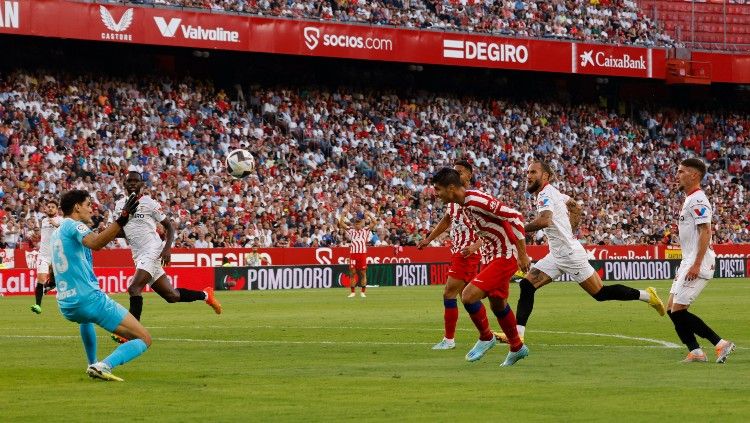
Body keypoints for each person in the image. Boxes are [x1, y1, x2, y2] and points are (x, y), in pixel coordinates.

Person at [500, 160, 666, 343]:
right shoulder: (555, 193)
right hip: (557, 254)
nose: (528, 176)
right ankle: (517, 336)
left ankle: (647, 295)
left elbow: (544, 221)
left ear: (545, 176)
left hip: (570, 255)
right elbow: (575, 206)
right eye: (528, 172)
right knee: (527, 285)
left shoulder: (545, 194)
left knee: (600, 294)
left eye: (533, 172)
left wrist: (517, 228)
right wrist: (569, 230)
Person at [431, 167, 530, 366]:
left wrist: (522, 253)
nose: (436, 194)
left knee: (468, 295)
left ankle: (486, 337)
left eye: (438, 189)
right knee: (497, 303)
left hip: (505, 254)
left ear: (451, 188)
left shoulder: (476, 200)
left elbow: (515, 217)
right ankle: (517, 347)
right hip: (490, 255)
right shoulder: (463, 204)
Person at [50, 190, 149, 381]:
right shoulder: (73, 226)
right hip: (89, 300)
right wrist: (122, 219)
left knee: (85, 320)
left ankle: (92, 362)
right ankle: (104, 365)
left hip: (66, 304)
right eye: (87, 204)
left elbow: (55, 268)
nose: (90, 209)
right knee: (144, 338)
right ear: (77, 207)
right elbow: (96, 243)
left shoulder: (56, 233)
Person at [112, 172, 221, 343]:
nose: (132, 183)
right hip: (138, 253)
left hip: (153, 249)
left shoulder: (149, 203)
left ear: (142, 184)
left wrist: (167, 248)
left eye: (136, 181)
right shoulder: (119, 205)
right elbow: (119, 230)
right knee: (172, 296)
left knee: (134, 288)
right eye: (129, 181)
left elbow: (169, 227)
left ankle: (130, 333)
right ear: (124, 184)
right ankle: (206, 295)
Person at [667, 158, 735, 363]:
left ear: (693, 175)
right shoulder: (690, 199)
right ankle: (696, 351)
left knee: (678, 310)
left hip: (699, 261)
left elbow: (705, 230)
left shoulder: (697, 199)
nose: (677, 175)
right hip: (688, 260)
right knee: (671, 308)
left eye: (681, 172)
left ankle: (720, 343)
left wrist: (696, 264)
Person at [418, 161, 482, 350]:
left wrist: (475, 246)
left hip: (468, 253)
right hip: (459, 251)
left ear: (469, 175)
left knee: (449, 293)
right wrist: (428, 239)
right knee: (468, 297)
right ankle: (487, 335)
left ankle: (449, 340)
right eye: (455, 172)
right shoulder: (454, 200)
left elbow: (490, 228)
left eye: (460, 172)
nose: (457, 174)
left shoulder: (474, 199)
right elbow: (446, 221)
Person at [31, 199, 62, 314]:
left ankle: (50, 285)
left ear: (57, 209)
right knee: (41, 279)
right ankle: (37, 305)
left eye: (52, 207)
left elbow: (65, 231)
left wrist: (57, 225)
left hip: (57, 255)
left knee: (55, 282)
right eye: (48, 206)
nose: (50, 208)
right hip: (43, 256)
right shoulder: (43, 220)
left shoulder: (61, 220)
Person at [338, 206, 376, 298]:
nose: (357, 225)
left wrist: (369, 215)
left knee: (363, 273)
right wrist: (343, 215)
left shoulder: (365, 230)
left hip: (362, 254)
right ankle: (353, 292)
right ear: (355, 224)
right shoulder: (351, 231)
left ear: (361, 224)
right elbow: (341, 224)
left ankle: (363, 292)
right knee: (352, 273)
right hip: (353, 254)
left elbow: (374, 222)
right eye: (356, 223)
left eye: (359, 223)